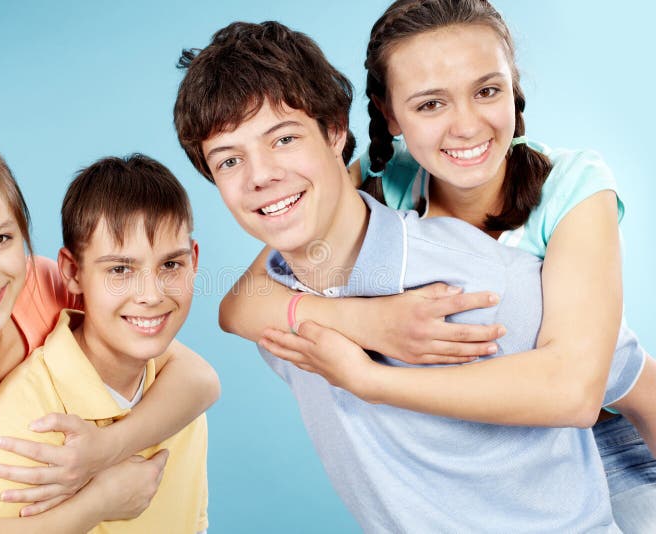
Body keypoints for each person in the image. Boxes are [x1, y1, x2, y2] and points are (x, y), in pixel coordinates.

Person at [173, 19, 652, 532]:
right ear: (390, 117)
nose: (262, 174)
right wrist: (370, 323)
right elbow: (239, 305)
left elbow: (601, 386)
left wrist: (370, 379)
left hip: (617, 445)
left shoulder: (514, 257)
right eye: (430, 103)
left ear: (336, 133)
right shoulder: (378, 187)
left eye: (487, 90)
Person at [0, 132, 220, 534]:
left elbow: (197, 378)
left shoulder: (38, 284)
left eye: (0, 239)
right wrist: (99, 502)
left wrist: (105, 449)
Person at [0, 154, 210, 534]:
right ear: (71, 272)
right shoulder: (23, 428)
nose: (150, 295)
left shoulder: (180, 400)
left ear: (194, 261)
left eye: (171, 265)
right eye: (120, 270)